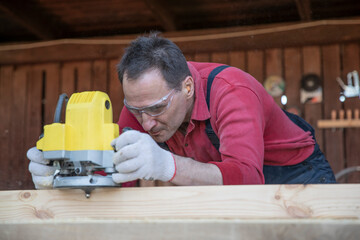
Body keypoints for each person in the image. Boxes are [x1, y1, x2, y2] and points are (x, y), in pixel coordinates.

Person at [27, 34, 336, 189]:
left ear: (188, 88)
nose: (145, 123)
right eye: (135, 110)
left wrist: (168, 166)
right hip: (224, 181)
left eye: (157, 108)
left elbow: (247, 178)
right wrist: (65, 175)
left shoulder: (232, 91)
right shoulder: (141, 105)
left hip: (296, 174)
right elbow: (122, 179)